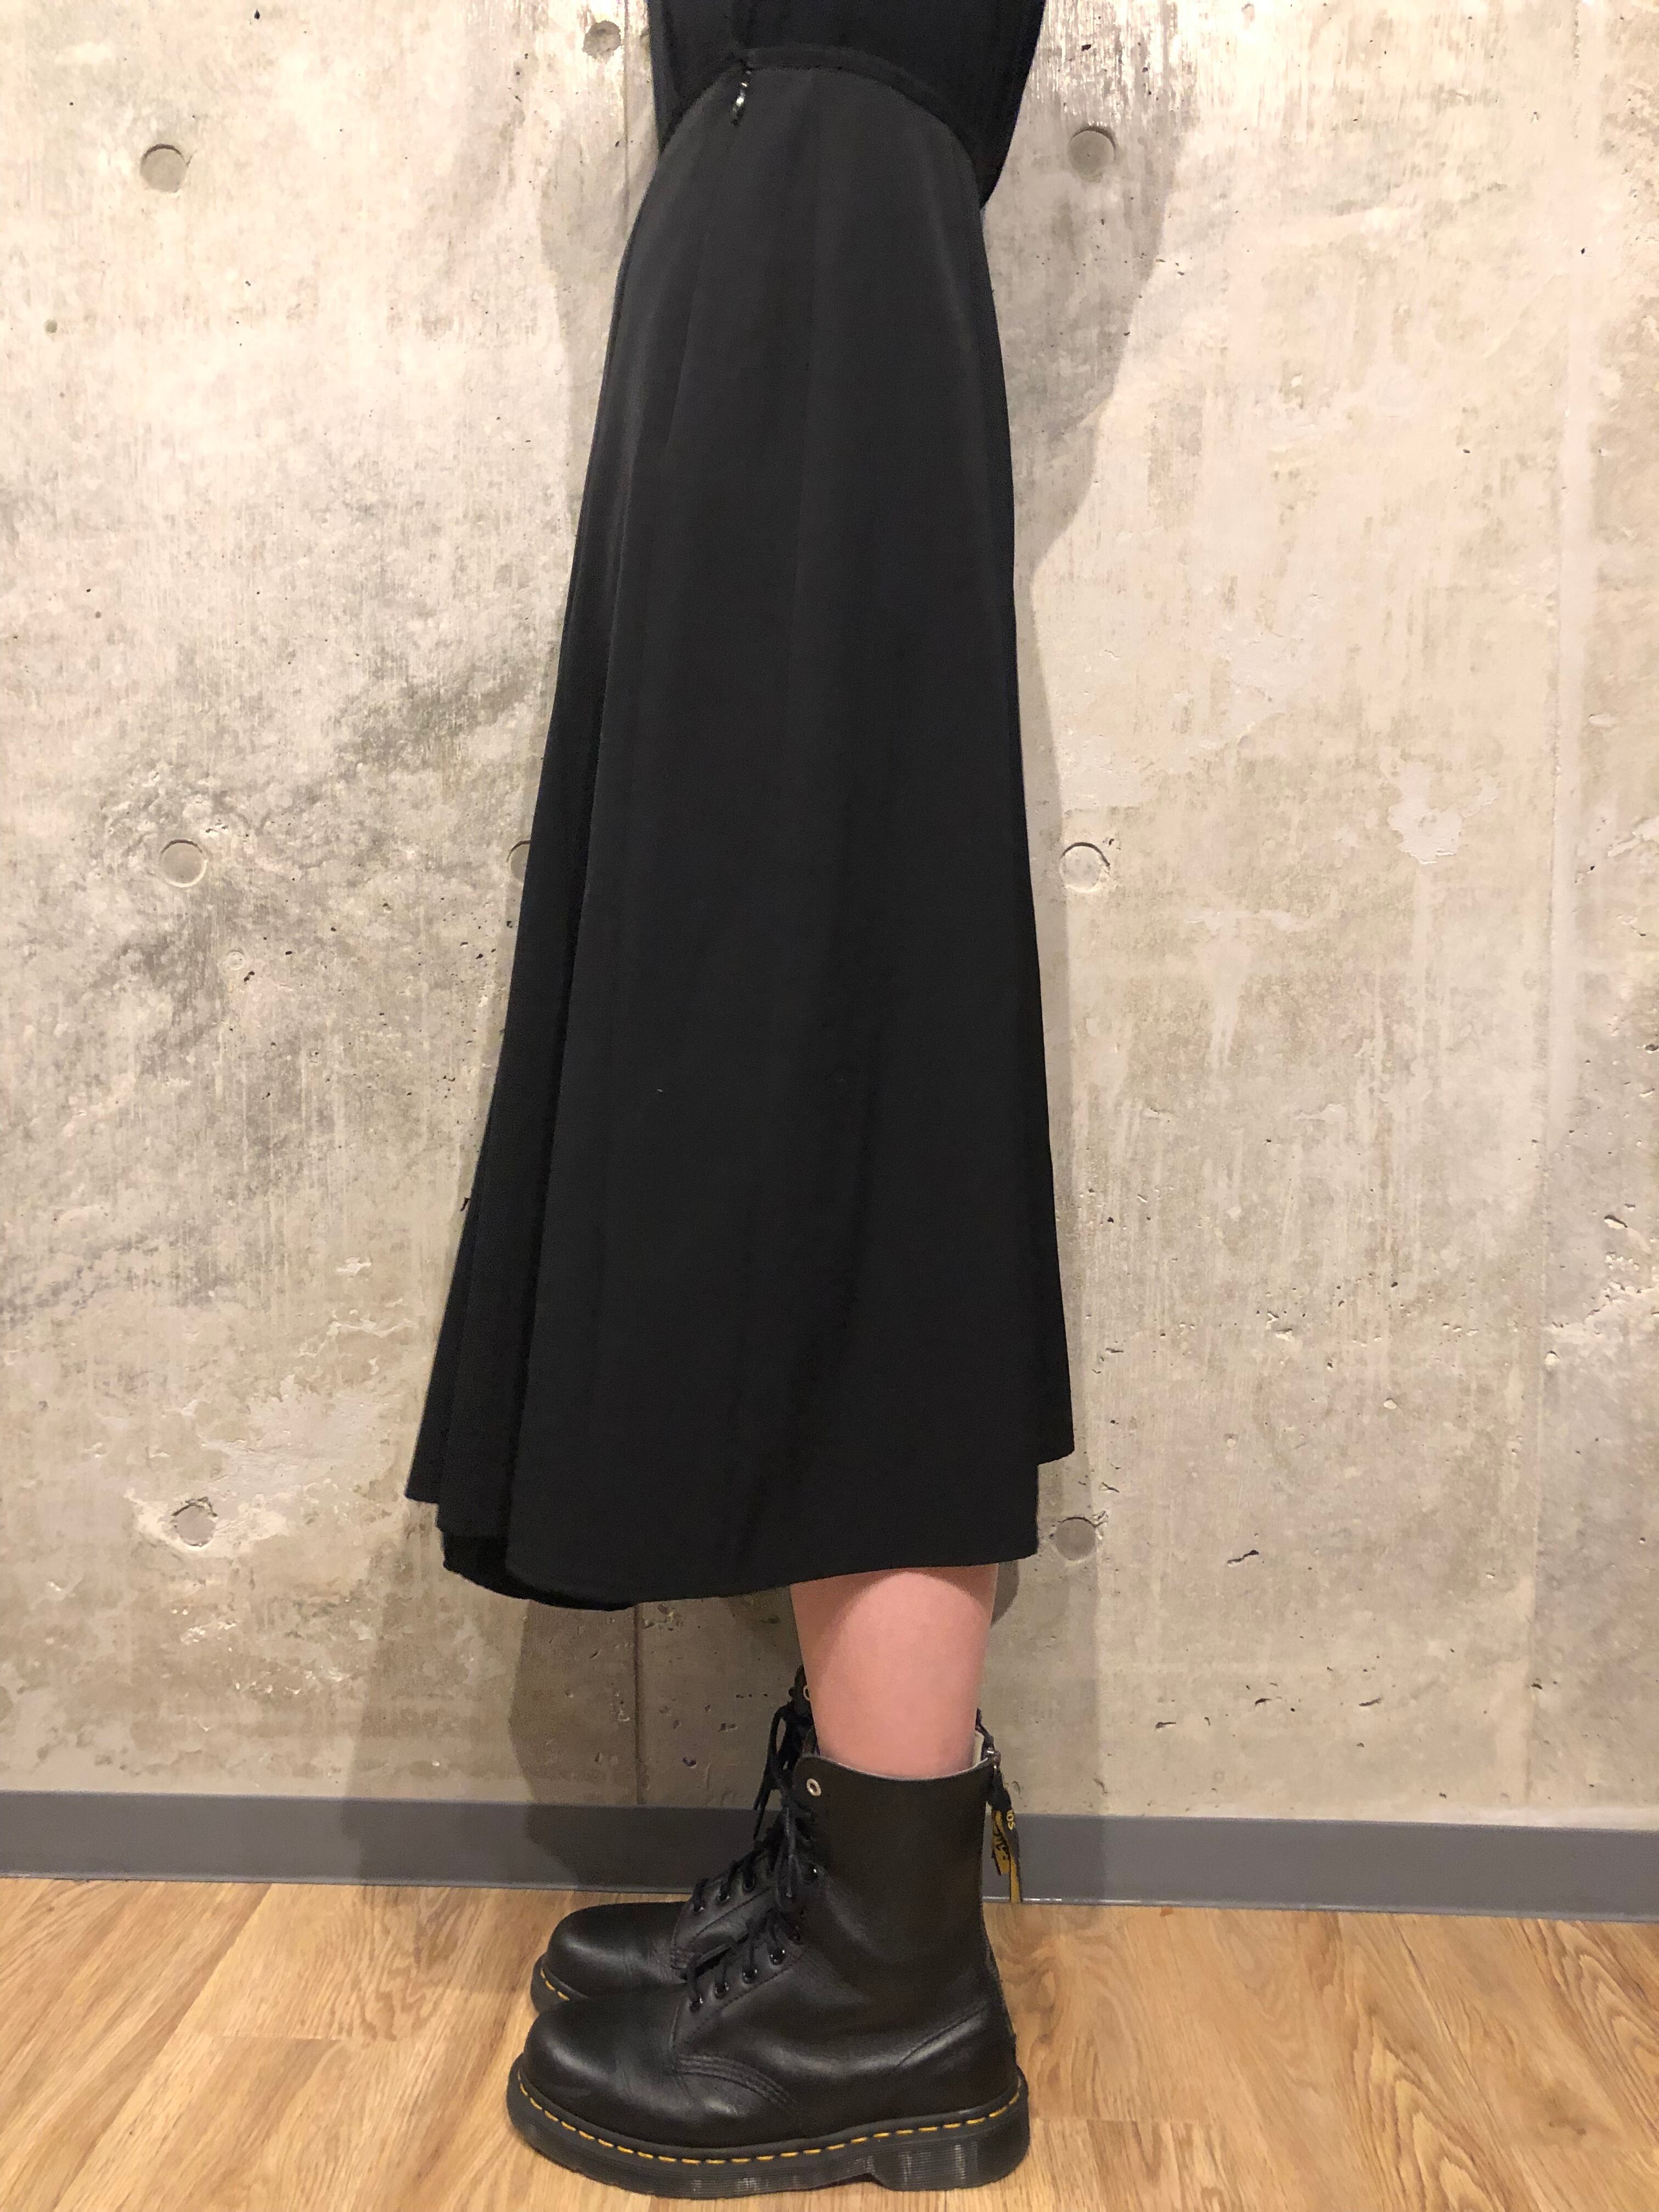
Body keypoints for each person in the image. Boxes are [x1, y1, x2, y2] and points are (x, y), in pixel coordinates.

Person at [404, 0, 1072, 2191]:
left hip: (815, 260)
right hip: (782, 258)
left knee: (855, 1073)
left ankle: (894, 1986)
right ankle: (856, 1904)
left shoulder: (841, 152)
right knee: (799, 1062)